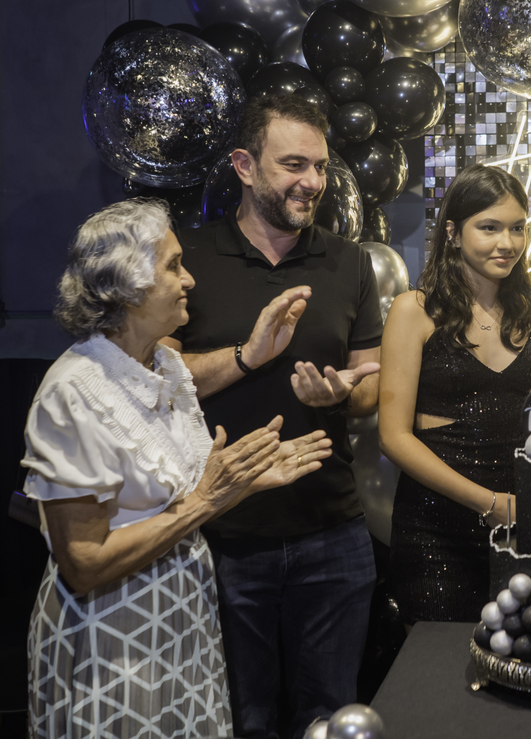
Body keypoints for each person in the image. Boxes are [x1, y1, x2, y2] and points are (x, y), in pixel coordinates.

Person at [23, 198, 332, 739]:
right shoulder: (74, 393)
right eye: (172, 266)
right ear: (126, 286)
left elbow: (184, 500)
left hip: (181, 621)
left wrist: (244, 481)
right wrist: (210, 501)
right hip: (111, 639)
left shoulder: (163, 366)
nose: (189, 279)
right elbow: (84, 565)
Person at [162, 94, 383, 738]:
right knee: (239, 719)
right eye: (292, 164)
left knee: (331, 718)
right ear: (244, 165)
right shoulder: (188, 262)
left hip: (333, 530)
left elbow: (368, 388)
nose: (311, 182)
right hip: (223, 532)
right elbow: (157, 380)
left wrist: (342, 394)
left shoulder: (349, 262)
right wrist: (247, 357)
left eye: (318, 166)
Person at [379, 164, 531, 623]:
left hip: (512, 524)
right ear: (453, 231)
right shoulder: (414, 310)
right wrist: (486, 502)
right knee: (437, 674)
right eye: (488, 228)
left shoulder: (528, 310)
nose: (506, 243)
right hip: (435, 527)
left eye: (517, 228)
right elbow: (393, 437)